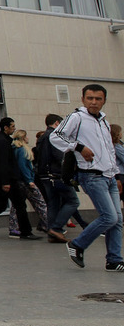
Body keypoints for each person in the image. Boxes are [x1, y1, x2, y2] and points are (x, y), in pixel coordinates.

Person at [49, 84, 124, 271]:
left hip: (109, 176)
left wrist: (116, 175)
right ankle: (77, 244)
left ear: (104, 100)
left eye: (98, 99)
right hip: (92, 175)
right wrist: (79, 147)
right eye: (90, 98)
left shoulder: (104, 121)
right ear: (83, 99)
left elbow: (108, 150)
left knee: (117, 219)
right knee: (109, 217)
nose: (94, 102)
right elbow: (55, 136)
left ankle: (114, 260)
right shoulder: (77, 117)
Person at [37, 113, 86, 242]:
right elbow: (60, 156)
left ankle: (52, 232)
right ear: (57, 124)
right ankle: (56, 229)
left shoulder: (42, 137)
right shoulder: (54, 137)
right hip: (57, 174)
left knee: (53, 204)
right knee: (73, 201)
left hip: (45, 175)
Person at [8, 130, 48, 236]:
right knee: (40, 203)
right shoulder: (22, 150)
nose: (28, 139)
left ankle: (13, 227)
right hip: (26, 181)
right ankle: (49, 225)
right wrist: (29, 180)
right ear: (23, 138)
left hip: (19, 181)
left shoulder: (14, 149)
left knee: (17, 205)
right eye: (26, 137)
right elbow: (23, 166)